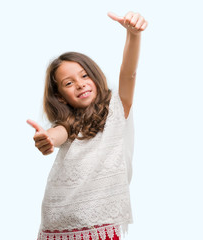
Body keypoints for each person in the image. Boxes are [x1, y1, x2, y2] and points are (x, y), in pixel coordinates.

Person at [27, 11, 148, 240]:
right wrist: (48, 139)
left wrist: (133, 35)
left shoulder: (117, 107)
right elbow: (58, 133)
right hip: (59, 222)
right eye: (69, 83)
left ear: (94, 76)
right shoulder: (70, 123)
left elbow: (129, 73)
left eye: (84, 76)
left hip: (99, 221)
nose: (80, 84)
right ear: (61, 97)